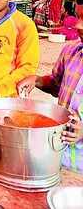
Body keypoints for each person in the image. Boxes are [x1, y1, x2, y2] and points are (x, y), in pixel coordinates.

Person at [17, 18, 83, 174]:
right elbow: (57, 85)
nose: (78, 25)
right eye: (78, 16)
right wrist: (37, 80)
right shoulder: (70, 50)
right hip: (58, 155)